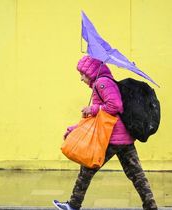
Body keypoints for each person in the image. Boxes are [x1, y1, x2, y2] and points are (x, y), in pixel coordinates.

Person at [53, 55, 158, 210]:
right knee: (136, 174)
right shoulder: (103, 83)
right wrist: (74, 129)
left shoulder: (102, 83)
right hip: (123, 138)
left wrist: (93, 108)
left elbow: (115, 106)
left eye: (82, 74)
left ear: (91, 71)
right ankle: (151, 206)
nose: (81, 78)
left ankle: (74, 205)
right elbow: (96, 119)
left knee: (87, 170)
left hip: (111, 137)